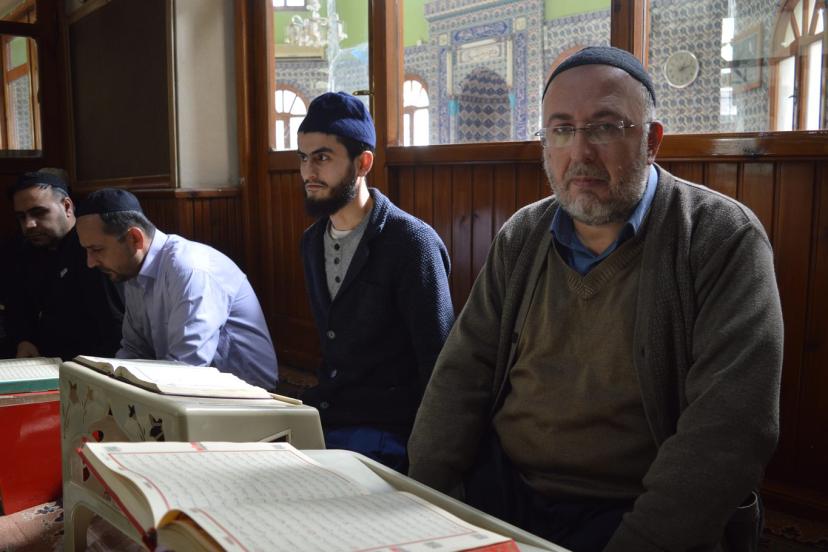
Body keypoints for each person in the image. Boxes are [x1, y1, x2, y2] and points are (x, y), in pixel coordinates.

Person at [408, 46, 783, 551]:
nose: (580, 153)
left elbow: (729, 432)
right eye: (561, 130)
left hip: (635, 512)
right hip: (504, 491)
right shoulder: (522, 235)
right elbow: (459, 378)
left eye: (605, 127)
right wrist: (425, 508)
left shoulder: (719, 238)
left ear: (652, 141)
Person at [297, 92, 454, 471]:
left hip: (388, 433)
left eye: (322, 157)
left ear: (363, 163)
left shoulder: (411, 243)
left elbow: (440, 363)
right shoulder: (311, 242)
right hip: (328, 416)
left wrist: (432, 458)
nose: (308, 172)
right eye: (303, 157)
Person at [75, 188, 278, 391]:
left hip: (251, 396)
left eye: (97, 249)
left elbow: (186, 369)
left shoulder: (189, 269)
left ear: (135, 239)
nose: (90, 262)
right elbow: (134, 350)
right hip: (193, 387)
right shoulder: (132, 271)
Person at [5, 170, 123, 359]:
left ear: (67, 206)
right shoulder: (23, 250)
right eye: (21, 217)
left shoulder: (93, 251)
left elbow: (113, 328)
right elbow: (17, 308)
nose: (29, 224)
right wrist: (24, 340)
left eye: (38, 213)